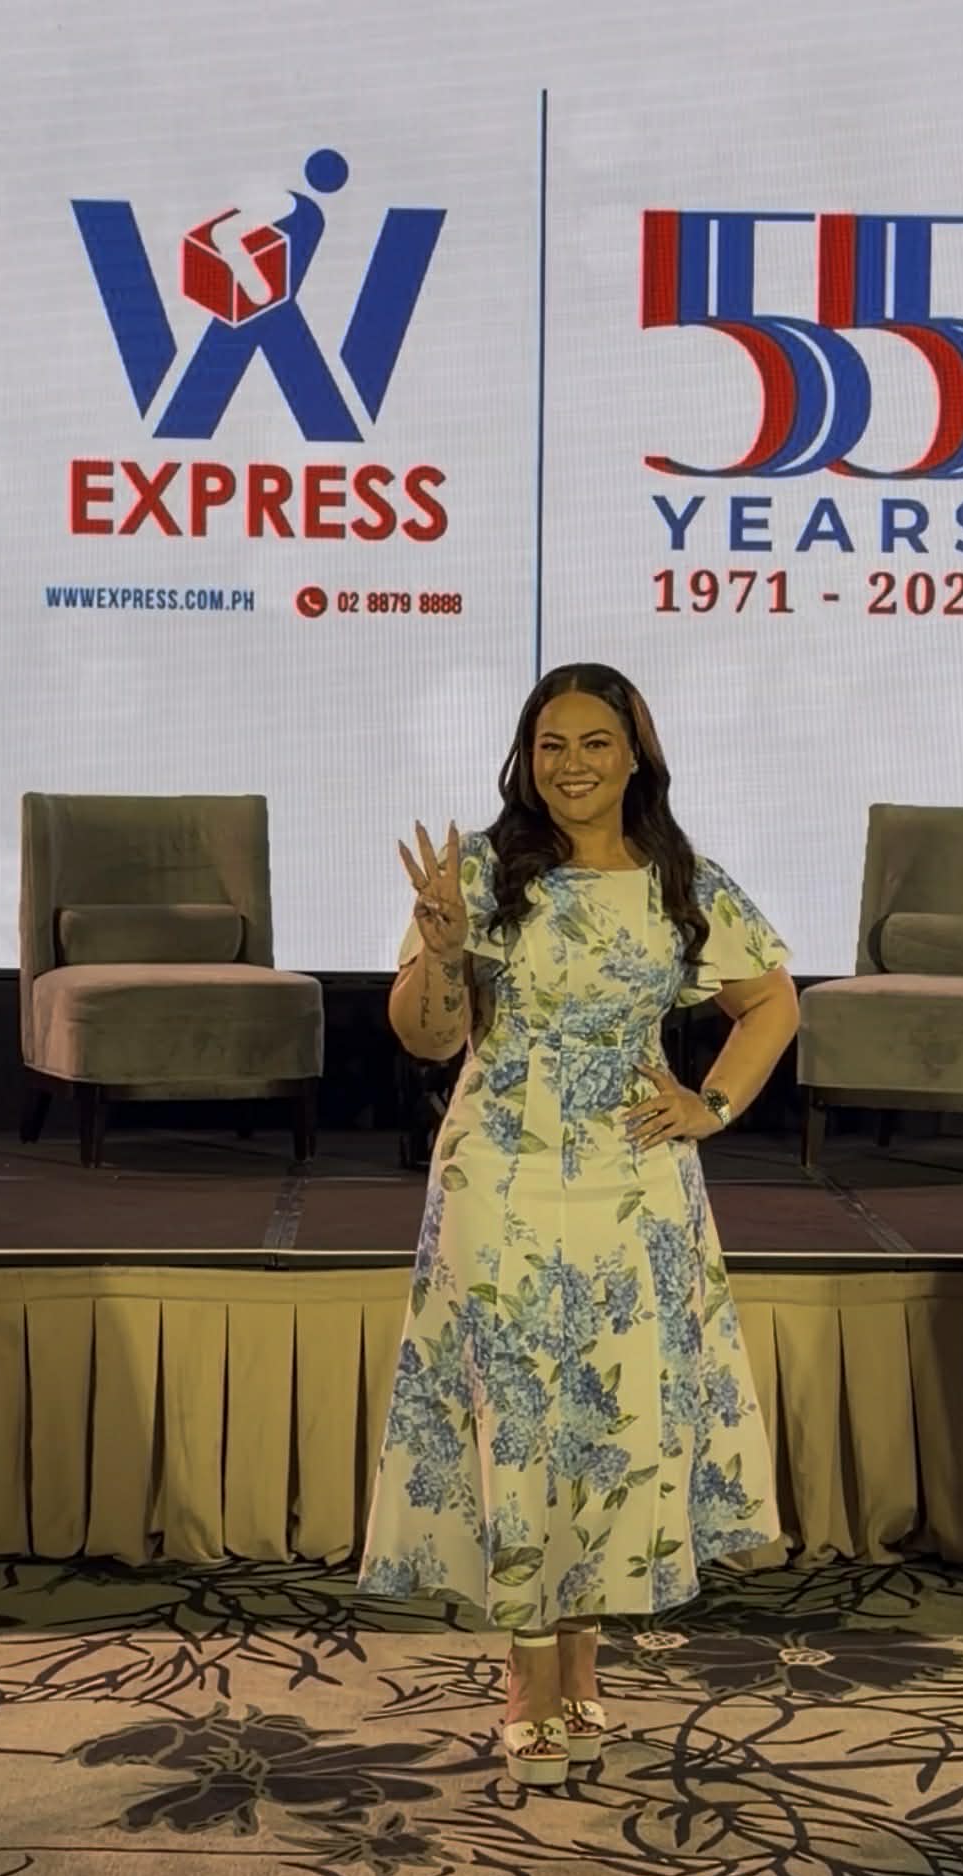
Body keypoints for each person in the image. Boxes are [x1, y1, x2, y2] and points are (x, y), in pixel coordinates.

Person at [357, 662, 800, 1787]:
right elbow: (425, 1037)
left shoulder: (680, 880)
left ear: (636, 754)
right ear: (526, 757)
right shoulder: (478, 872)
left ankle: (585, 1660)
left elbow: (771, 1000)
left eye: (596, 743)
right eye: (551, 745)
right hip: (500, 1175)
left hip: (633, 1180)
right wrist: (443, 953)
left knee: (610, 1417)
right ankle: (528, 1674)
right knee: (522, 1418)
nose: (572, 766)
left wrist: (713, 1105)